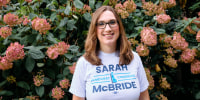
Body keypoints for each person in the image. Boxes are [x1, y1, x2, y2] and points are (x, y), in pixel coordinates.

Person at [69, 6, 150, 100]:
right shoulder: (84, 62)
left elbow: (144, 97)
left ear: (119, 26)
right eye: (101, 23)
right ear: (94, 29)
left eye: (112, 22)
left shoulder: (133, 58)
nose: (108, 29)